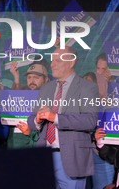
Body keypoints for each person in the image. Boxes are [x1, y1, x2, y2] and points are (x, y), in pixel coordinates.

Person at [27, 47, 99, 189]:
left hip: (72, 158)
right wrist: (38, 120)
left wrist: (55, 117)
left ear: (71, 62)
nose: (52, 64)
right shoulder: (46, 88)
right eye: (52, 60)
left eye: (57, 60)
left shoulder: (87, 87)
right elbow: (31, 120)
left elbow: (90, 121)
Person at [7, 63, 49, 149]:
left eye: (36, 77)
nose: (32, 80)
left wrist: (30, 132)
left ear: (46, 80)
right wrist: (16, 77)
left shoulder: (50, 98)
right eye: (29, 77)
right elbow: (15, 96)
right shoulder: (23, 94)